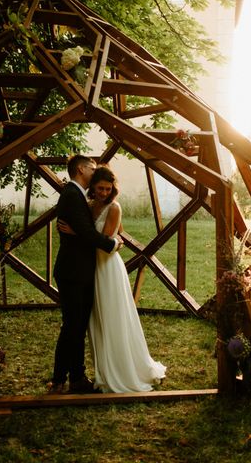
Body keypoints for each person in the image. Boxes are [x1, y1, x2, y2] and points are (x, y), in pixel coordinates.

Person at [60, 165, 166, 393]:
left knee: (112, 316)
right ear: (93, 187)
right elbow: (91, 233)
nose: (104, 193)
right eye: (100, 188)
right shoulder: (88, 206)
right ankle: (101, 369)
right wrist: (80, 231)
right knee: (96, 320)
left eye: (108, 189)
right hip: (91, 268)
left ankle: (122, 368)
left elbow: (104, 240)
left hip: (107, 267)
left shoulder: (114, 207)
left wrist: (77, 232)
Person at [49, 155, 121, 394]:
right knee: (72, 327)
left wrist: (79, 232)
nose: (95, 170)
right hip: (73, 271)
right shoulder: (72, 194)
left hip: (79, 270)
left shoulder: (78, 194)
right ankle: (61, 379)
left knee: (77, 326)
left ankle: (76, 377)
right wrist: (113, 245)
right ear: (81, 169)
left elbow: (83, 230)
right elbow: (89, 234)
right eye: (92, 167)